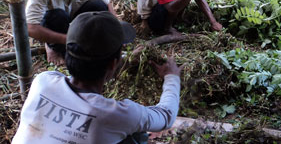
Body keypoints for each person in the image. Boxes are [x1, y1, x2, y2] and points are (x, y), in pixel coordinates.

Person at [12, 11, 182, 144]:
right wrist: (171, 77)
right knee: (135, 137)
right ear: (112, 65)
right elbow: (166, 116)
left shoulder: (43, 81)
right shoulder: (116, 114)